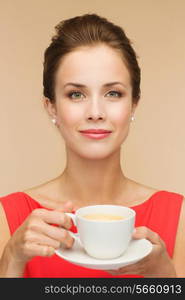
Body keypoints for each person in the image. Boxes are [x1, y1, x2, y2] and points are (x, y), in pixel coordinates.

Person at [0, 13, 184, 278]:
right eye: (76, 94)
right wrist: (12, 259)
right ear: (51, 107)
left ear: (133, 104)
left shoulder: (178, 217)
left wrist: (164, 280)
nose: (95, 112)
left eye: (113, 93)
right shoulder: (9, 217)